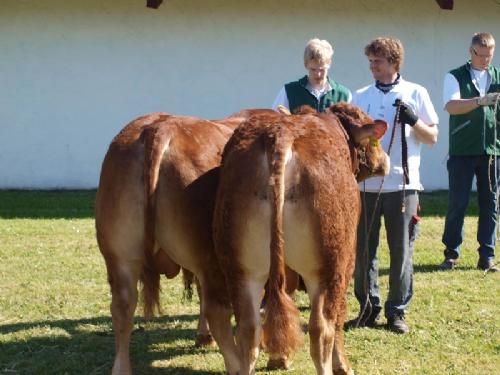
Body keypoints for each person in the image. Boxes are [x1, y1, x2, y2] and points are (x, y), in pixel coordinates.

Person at [347, 37, 439, 334]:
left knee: (401, 252)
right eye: (371, 61)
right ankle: (366, 308)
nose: (372, 66)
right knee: (363, 251)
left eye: (378, 61)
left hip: (403, 185)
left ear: (394, 62)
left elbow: (432, 137)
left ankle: (397, 311)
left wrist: (413, 121)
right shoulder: (359, 96)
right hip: (365, 187)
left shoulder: (416, 92)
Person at [439, 32, 500, 272]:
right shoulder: (454, 76)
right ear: (471, 51)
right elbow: (451, 106)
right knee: (458, 203)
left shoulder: (497, 77)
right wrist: (479, 101)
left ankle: (487, 255)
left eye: (490, 55)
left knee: (491, 204)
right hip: (462, 150)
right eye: (481, 55)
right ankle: (451, 254)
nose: (485, 59)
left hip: (493, 151)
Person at [272, 38, 351, 113]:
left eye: (322, 70)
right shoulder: (289, 91)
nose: (318, 74)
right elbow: (275, 123)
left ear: (329, 64)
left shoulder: (343, 95)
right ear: (305, 65)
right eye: (313, 69)